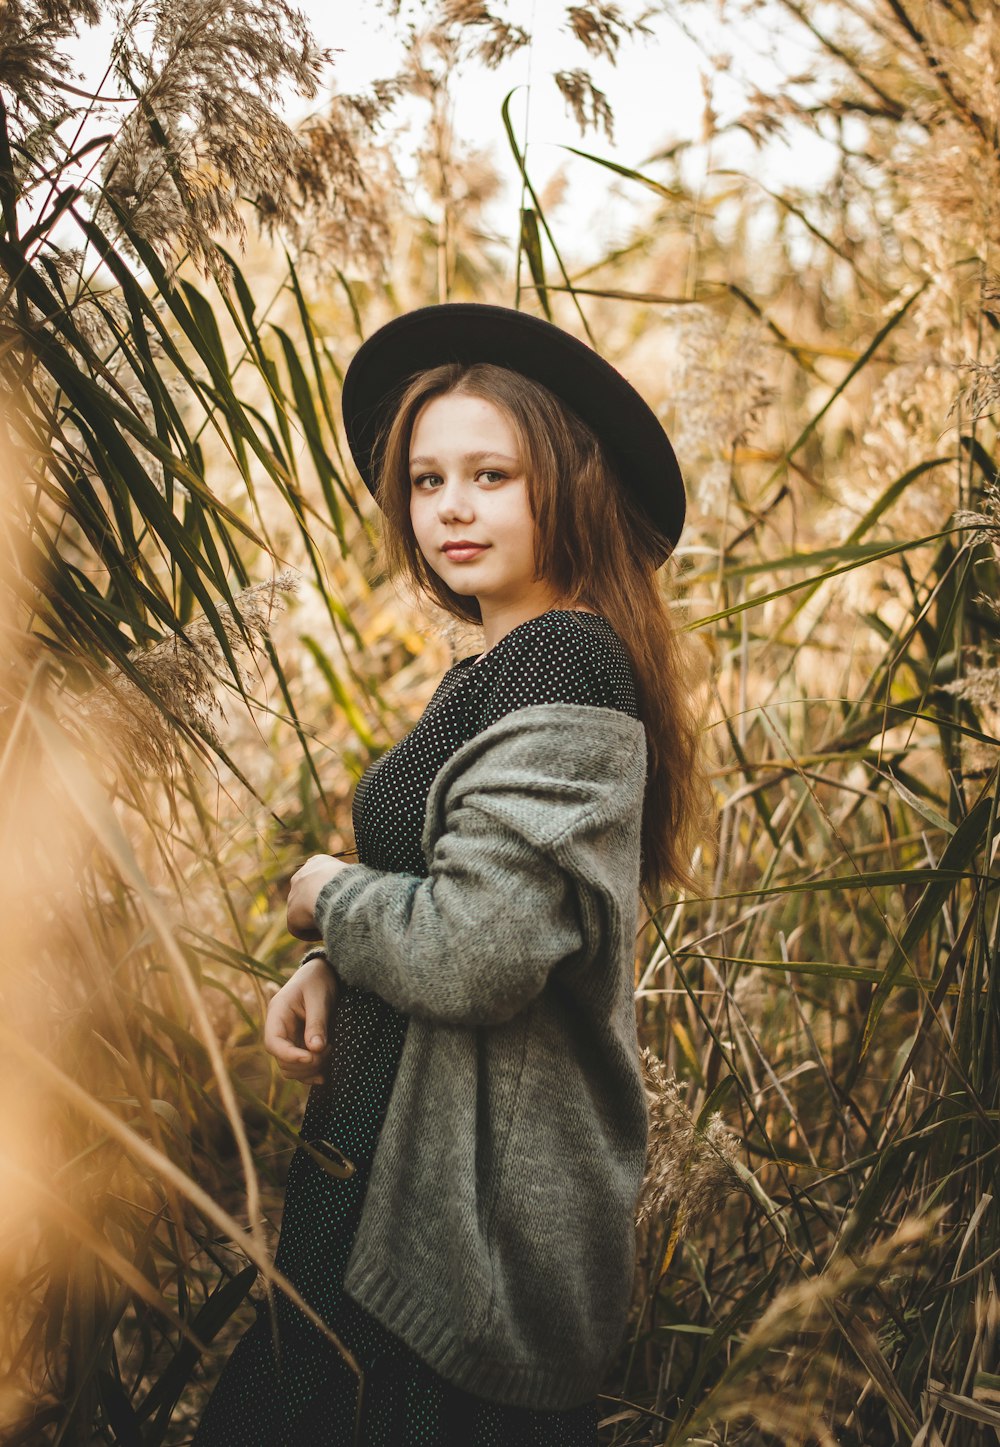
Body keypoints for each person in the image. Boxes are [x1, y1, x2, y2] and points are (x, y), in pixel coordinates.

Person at [191, 303, 706, 1446]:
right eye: (426, 481)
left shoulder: (562, 658)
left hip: (453, 1238)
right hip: (389, 1194)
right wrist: (337, 957)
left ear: (566, 483)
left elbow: (478, 950)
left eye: (490, 473)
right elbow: (469, 894)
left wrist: (326, 893)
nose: (451, 509)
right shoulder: (503, 667)